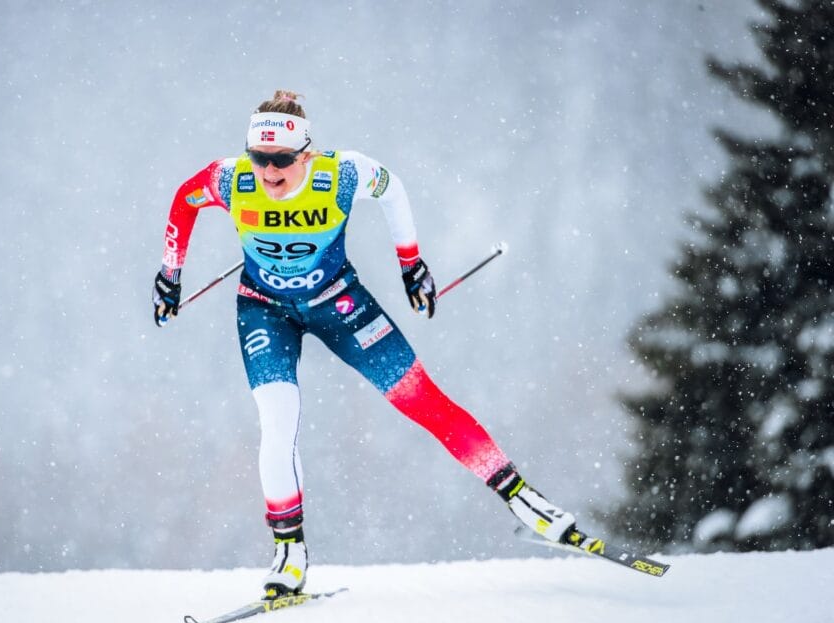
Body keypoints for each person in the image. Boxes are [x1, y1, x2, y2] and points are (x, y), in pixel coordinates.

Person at [153, 90, 579, 597]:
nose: (269, 172)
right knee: (276, 419)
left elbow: (393, 190)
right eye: (259, 158)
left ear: (306, 154)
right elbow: (185, 199)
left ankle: (524, 500)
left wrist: (411, 264)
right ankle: (289, 554)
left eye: (282, 161)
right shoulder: (231, 179)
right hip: (263, 308)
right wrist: (169, 274)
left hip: (339, 303)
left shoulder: (342, 175)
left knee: (422, 400)